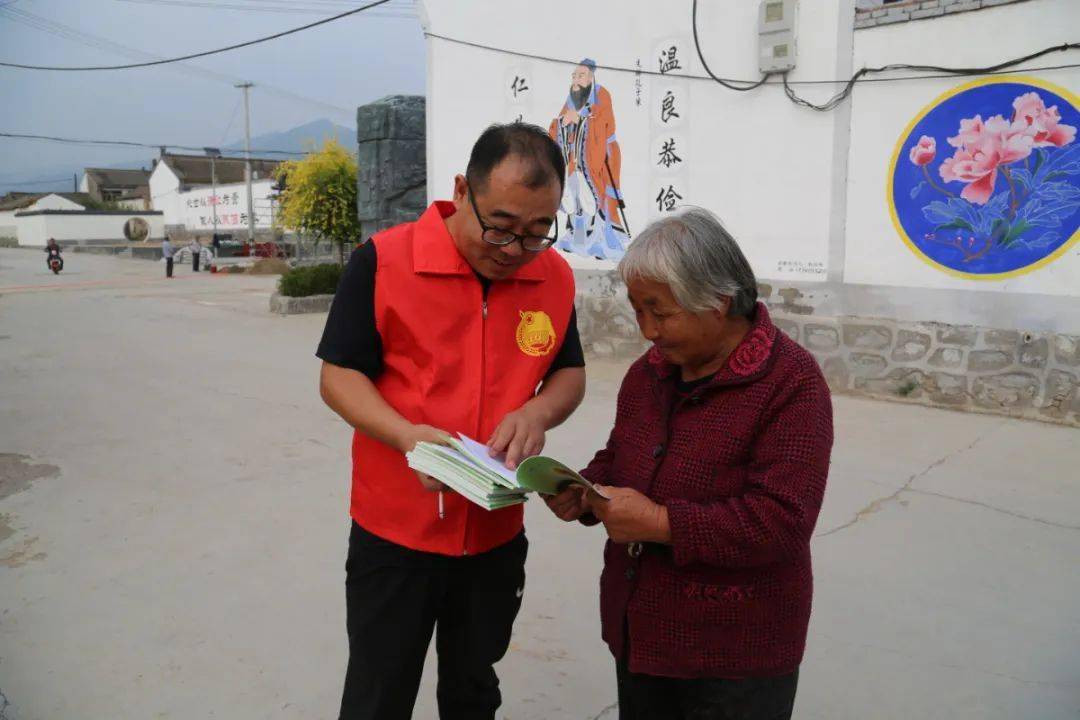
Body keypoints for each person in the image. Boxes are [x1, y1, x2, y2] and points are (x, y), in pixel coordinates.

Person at [317, 122, 587, 720]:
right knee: (377, 693)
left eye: (538, 231)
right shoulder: (385, 261)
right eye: (501, 225)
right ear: (462, 190)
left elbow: (569, 375)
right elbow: (338, 376)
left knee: (473, 687)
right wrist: (407, 438)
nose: (514, 249)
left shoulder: (555, 277)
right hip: (396, 532)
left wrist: (538, 411)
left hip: (494, 531)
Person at [545, 208, 834, 720]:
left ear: (719, 302)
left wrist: (660, 523)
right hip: (642, 635)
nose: (647, 330)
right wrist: (585, 489)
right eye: (637, 310)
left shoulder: (791, 383)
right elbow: (621, 455)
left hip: (736, 654)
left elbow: (782, 522)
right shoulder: (648, 375)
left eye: (660, 311)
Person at [549, 58, 628, 260]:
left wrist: (582, 117)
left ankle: (603, 241)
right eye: (574, 76)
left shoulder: (601, 94)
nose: (576, 79)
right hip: (576, 159)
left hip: (601, 155)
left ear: (591, 77)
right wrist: (562, 122)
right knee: (574, 197)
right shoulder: (571, 98)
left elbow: (603, 122)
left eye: (580, 75)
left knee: (598, 200)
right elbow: (561, 120)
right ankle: (576, 239)